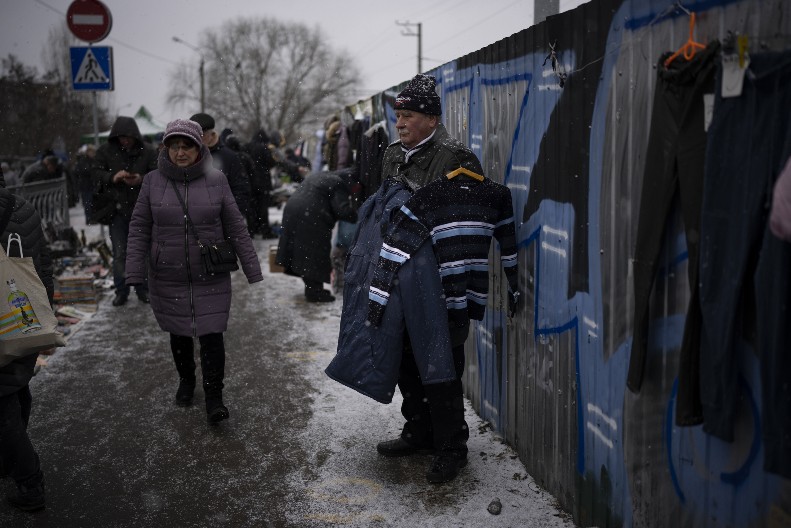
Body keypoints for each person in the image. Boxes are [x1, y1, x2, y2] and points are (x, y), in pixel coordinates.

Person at [370, 74, 519, 483]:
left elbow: (467, 231)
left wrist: (450, 287)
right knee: (404, 360)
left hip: (441, 285)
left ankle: (452, 446)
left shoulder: (457, 159)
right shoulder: (392, 154)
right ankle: (419, 431)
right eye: (398, 115)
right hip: (401, 277)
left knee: (441, 365)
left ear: (432, 119)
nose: (400, 122)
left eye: (410, 115)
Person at [125, 119, 263, 423]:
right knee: (180, 333)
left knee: (212, 335)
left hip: (210, 272)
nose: (180, 152)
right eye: (173, 145)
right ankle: (186, 380)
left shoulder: (217, 180)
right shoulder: (151, 181)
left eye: (186, 145)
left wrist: (252, 268)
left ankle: (215, 396)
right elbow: (138, 229)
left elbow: (237, 227)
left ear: (199, 147)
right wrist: (134, 272)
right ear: (166, 148)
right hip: (168, 273)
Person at [0, 169, 53, 512]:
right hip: (23, 319)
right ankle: (12, 453)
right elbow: (43, 264)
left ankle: (29, 481)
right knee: (15, 387)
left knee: (2, 409)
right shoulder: (22, 207)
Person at [92, 116, 158, 306]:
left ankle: (142, 289)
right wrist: (113, 177)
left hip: (142, 209)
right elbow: (95, 173)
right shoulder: (105, 151)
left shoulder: (147, 151)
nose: (125, 141)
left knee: (142, 252)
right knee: (120, 253)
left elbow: (157, 174)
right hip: (117, 209)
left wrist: (140, 179)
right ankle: (122, 291)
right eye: (121, 137)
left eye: (128, 137)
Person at [275, 168, 356, 302]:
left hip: (293, 210)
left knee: (302, 253)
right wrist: (358, 216)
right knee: (315, 253)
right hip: (311, 215)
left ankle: (313, 288)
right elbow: (342, 210)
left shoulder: (322, 176)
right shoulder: (339, 184)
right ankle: (314, 292)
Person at [189, 113, 250, 223]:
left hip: (221, 222)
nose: (196, 140)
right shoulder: (186, 155)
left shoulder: (229, 157)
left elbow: (241, 190)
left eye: (201, 135)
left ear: (211, 135)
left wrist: (230, 216)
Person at [73, 144, 98, 224]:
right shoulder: (83, 161)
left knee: (91, 203)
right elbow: (80, 171)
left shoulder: (91, 161)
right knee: (88, 203)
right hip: (86, 185)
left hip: (90, 185)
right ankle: (89, 219)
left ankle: (92, 218)